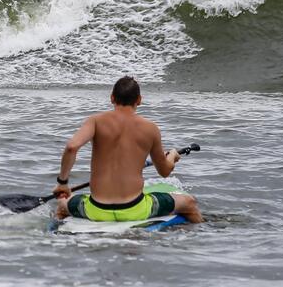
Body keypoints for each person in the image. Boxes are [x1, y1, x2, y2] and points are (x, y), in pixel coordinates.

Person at [53, 76, 203, 223]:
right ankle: (200, 238)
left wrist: (63, 183)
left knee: (62, 205)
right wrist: (172, 156)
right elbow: (164, 171)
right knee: (189, 203)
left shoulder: (95, 121)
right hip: (135, 209)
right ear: (139, 100)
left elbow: (71, 147)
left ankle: (53, 233)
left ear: (112, 98)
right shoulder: (150, 128)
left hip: (95, 209)